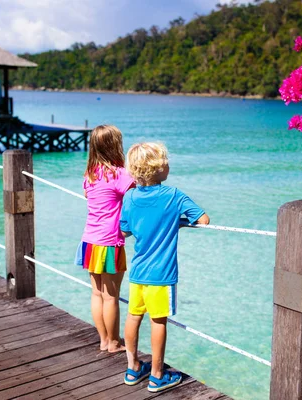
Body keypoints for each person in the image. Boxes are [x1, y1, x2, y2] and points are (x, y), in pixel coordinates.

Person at [120, 142, 209, 393]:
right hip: (161, 275)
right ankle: (157, 375)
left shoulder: (130, 196)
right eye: (165, 162)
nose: (169, 165)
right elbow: (203, 219)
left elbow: (124, 230)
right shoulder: (173, 195)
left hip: (138, 272)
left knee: (133, 316)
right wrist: (177, 222)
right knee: (159, 322)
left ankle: (132, 368)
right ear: (157, 169)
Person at [74, 125, 134, 353]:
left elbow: (89, 195)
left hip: (89, 240)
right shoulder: (120, 175)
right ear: (115, 147)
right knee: (111, 297)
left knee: (97, 293)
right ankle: (114, 342)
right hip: (110, 243)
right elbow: (136, 194)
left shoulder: (90, 175)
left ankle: (103, 340)